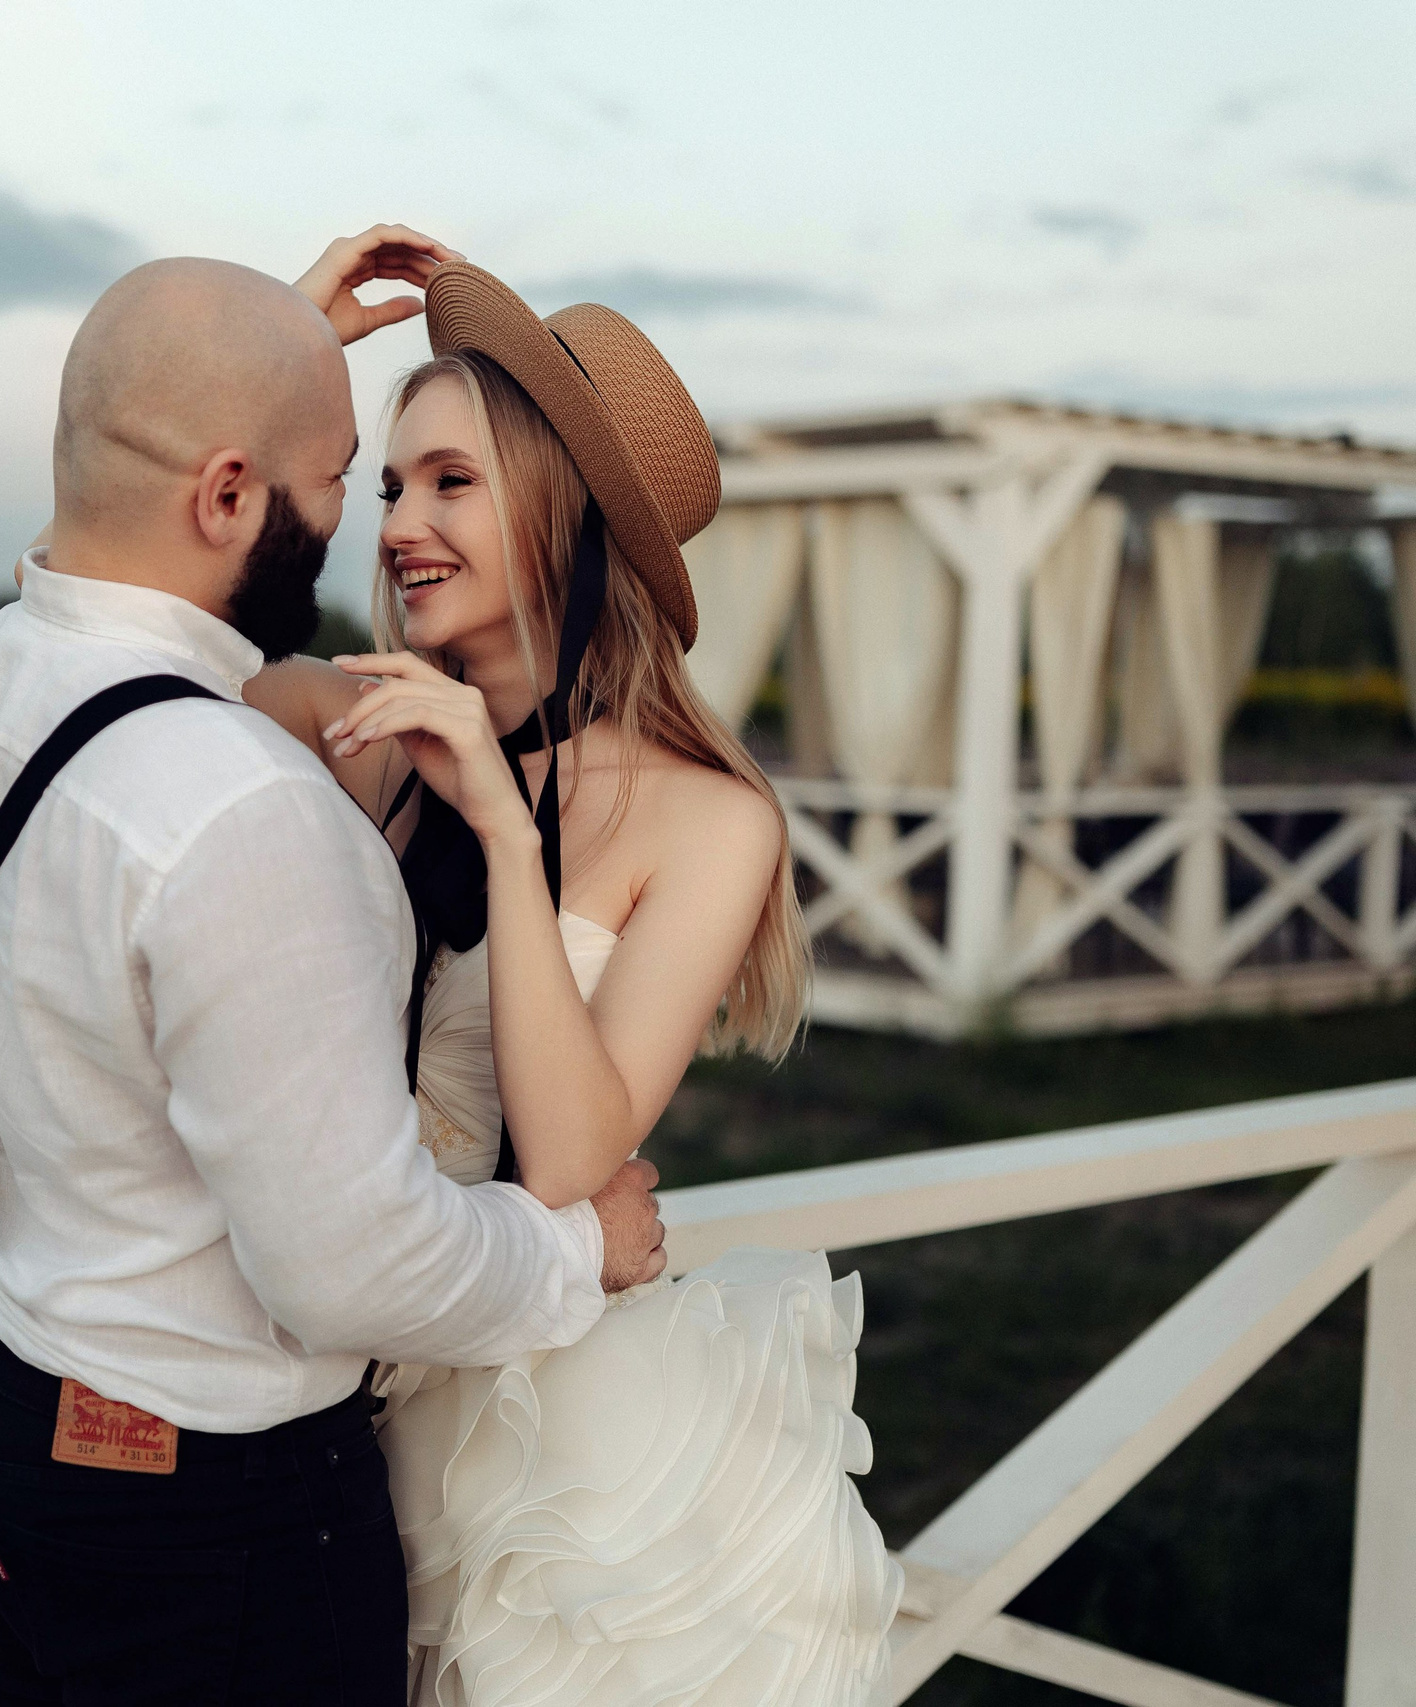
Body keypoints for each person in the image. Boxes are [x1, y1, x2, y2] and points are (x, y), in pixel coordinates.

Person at [0, 255, 670, 1706]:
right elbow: (354, 1265)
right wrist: (579, 1256)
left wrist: (262, 354)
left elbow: (142, 465)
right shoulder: (240, 803)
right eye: (344, 478)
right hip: (193, 1520)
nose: (363, 523)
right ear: (231, 496)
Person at [246, 235, 903, 1702]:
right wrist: (282, 345)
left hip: (565, 1448)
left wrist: (493, 810)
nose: (401, 520)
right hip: (332, 1396)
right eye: (393, 482)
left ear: (566, 518)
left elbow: (571, 1157)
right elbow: (139, 652)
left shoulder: (710, 817)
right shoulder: (348, 724)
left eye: (451, 482)